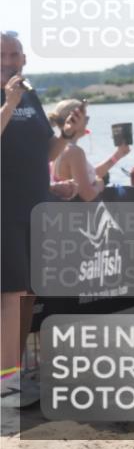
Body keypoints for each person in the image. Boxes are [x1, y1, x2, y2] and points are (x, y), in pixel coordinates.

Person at [1, 32, 75, 407]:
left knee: (29, 294)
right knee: (9, 298)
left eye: (15, 55)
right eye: (3, 55)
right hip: (4, 211)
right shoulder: (11, 97)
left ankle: (13, 376)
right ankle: (5, 387)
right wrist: (8, 103)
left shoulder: (30, 94)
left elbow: (45, 151)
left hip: (36, 206)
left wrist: (67, 135)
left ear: (24, 59)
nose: (10, 61)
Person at [49, 99, 130, 201]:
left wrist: (118, 155)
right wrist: (100, 185)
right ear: (74, 120)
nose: (87, 122)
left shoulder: (58, 149)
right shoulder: (74, 152)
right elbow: (88, 195)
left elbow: (86, 176)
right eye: (86, 118)